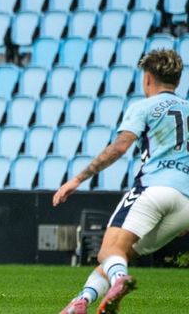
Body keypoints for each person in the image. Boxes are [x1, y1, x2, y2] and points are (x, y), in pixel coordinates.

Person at [55, 49, 189, 314]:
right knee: (121, 255)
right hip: (185, 202)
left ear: (147, 79)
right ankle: (80, 303)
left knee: (108, 252)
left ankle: (120, 281)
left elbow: (119, 147)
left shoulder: (143, 107)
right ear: (178, 80)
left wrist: (77, 179)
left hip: (153, 188)